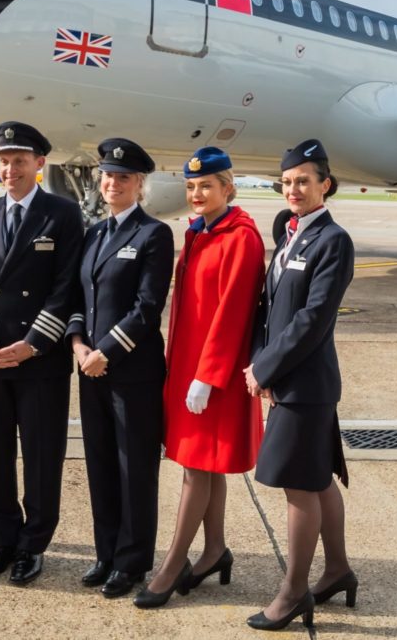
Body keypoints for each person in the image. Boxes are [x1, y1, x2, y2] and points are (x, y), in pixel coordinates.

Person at [134, 146, 265, 609]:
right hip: (191, 369)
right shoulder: (201, 232)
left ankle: (171, 565)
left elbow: (233, 314)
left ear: (227, 188)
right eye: (190, 187)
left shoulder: (240, 237)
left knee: (197, 466)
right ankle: (214, 550)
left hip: (214, 376)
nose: (196, 194)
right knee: (205, 464)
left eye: (206, 186)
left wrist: (207, 377)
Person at [0, 121, 83, 586]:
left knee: (41, 456)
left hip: (40, 361)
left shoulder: (63, 214)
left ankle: (33, 545)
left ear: (39, 164)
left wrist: (32, 344)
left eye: (20, 161)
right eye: (4, 161)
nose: (10, 169)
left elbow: (66, 287)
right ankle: (0, 541)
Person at [243, 139, 356, 632]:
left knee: (298, 486)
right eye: (287, 182)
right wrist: (259, 360)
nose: (293, 189)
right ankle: (336, 570)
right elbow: (270, 312)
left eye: (304, 181)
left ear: (325, 185)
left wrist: (264, 369)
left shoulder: (333, 241)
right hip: (294, 382)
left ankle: (293, 593)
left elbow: (312, 320)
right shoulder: (290, 236)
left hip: (306, 384)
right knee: (318, 477)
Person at [67, 138, 174, 599]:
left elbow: (147, 307)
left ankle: (131, 562)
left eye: (123, 177)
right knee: (101, 466)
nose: (113, 183)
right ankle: (106, 552)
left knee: (135, 470)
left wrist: (105, 351)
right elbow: (78, 299)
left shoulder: (153, 234)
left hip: (131, 373)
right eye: (108, 175)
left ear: (140, 185)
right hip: (89, 369)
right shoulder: (94, 234)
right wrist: (76, 344)